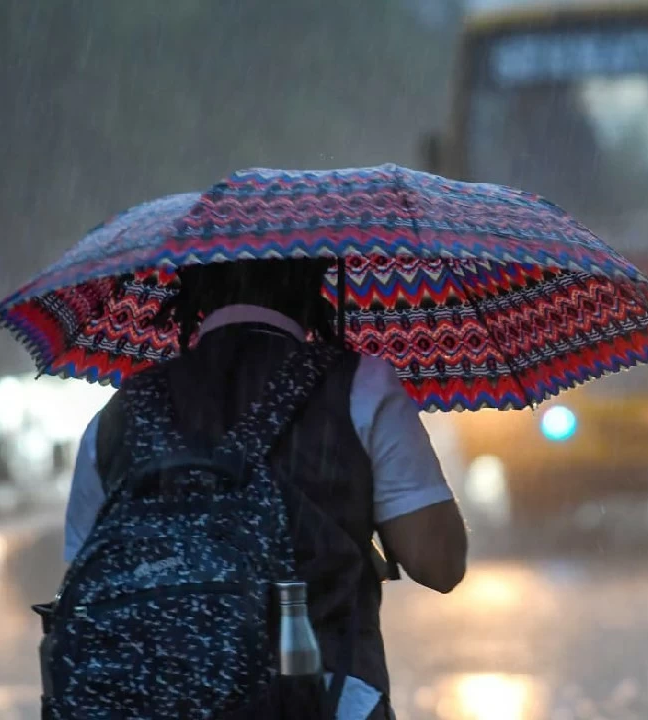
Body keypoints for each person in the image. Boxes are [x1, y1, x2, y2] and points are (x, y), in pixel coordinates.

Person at [62, 257, 468, 719]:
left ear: (191, 286)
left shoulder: (117, 417)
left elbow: (83, 591)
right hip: (320, 701)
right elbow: (440, 564)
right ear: (313, 284)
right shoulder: (360, 385)